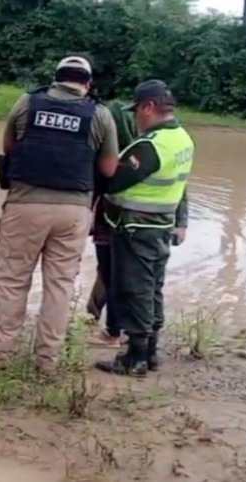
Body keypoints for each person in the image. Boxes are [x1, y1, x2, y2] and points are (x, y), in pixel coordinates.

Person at [0, 56, 119, 374]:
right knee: (59, 286)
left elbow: (9, 146)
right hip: (73, 211)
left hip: (25, 205)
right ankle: (47, 361)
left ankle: (0, 356)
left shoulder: (27, 102)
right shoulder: (100, 113)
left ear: (56, 78)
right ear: (87, 83)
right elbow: (109, 168)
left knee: (12, 281)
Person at [95, 80, 193, 377]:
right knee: (153, 289)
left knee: (134, 290)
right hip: (161, 227)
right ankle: (150, 352)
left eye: (137, 110)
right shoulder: (182, 138)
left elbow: (114, 181)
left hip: (136, 228)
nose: (135, 116)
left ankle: (134, 359)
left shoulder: (150, 146)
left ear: (149, 107)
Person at [86, 95, 139, 348]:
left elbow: (97, 183)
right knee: (118, 272)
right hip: (132, 221)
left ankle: (112, 329)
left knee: (109, 271)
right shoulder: (140, 153)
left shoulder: (109, 156)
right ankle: (103, 317)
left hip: (109, 219)